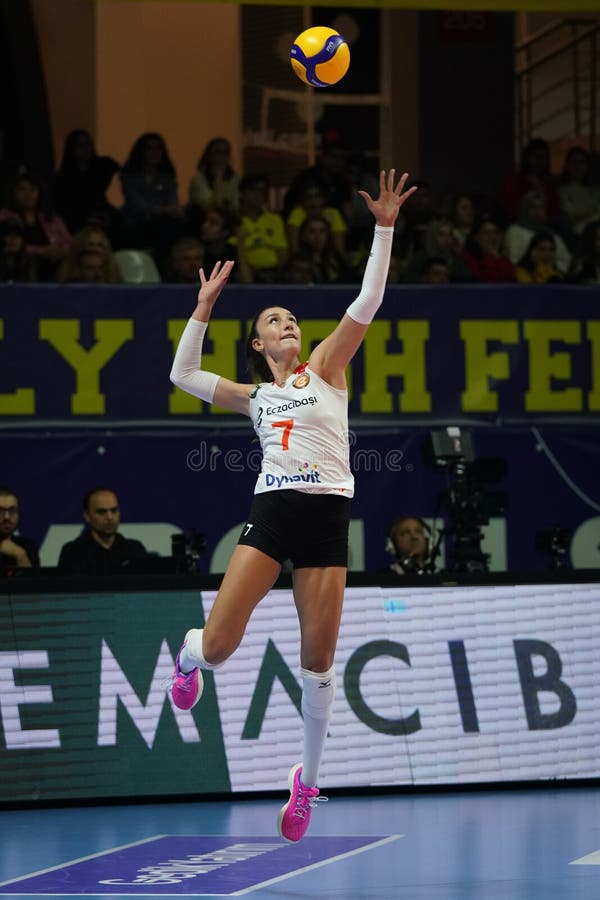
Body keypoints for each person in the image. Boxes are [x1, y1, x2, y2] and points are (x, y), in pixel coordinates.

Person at [168, 169, 417, 843]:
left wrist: (384, 226)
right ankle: (187, 659)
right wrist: (203, 308)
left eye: (292, 319)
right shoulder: (255, 396)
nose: (288, 324)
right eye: (274, 320)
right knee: (218, 648)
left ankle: (306, 782)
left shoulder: (329, 369)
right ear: (258, 343)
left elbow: (368, 299)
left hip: (328, 519)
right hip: (274, 513)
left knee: (317, 662)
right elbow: (182, 375)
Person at [58, 487, 148, 575]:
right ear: (87, 516)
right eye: (102, 512)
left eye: (114, 511)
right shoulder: (73, 552)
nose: (109, 517)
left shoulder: (135, 550)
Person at [0, 172, 72, 281]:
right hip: (19, 267)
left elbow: (68, 243)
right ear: (13, 193)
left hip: (53, 266)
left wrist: (58, 251)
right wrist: (41, 251)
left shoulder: (52, 219)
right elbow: (10, 246)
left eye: (33, 189)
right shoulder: (4, 217)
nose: (28, 194)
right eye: (22, 189)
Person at [52, 129, 120, 238]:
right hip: (78, 220)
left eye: (88, 144)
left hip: (103, 214)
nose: (86, 149)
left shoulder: (103, 167)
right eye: (80, 145)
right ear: (72, 149)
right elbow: (65, 206)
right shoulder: (63, 178)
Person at [188, 137, 240, 217]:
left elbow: (236, 207)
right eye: (218, 152)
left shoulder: (236, 179)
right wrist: (218, 181)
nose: (221, 156)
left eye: (225, 153)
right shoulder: (198, 180)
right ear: (209, 155)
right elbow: (209, 208)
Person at [0, 487, 40, 574]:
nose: (6, 517)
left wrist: (20, 556)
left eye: (12, 510)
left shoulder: (27, 547)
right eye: (0, 511)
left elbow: (35, 586)